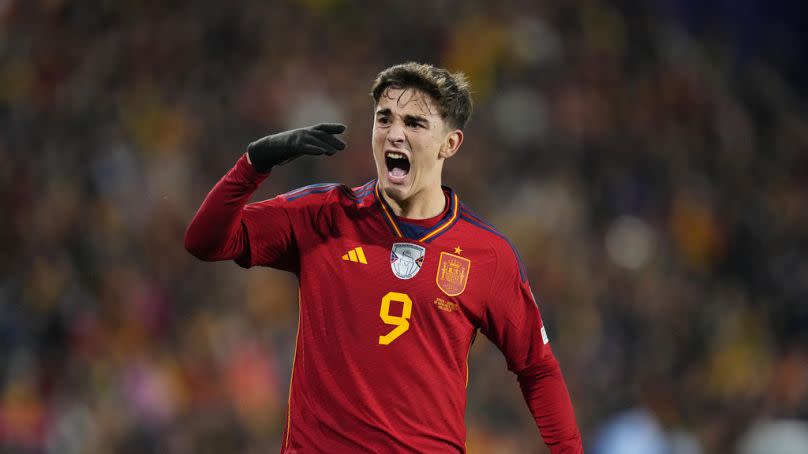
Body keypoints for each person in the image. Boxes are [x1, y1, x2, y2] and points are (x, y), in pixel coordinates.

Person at [185, 62, 583, 453]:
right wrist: (253, 164)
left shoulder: (488, 255)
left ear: (450, 143)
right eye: (384, 119)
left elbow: (537, 368)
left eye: (414, 123)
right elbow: (205, 242)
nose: (395, 134)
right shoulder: (323, 215)